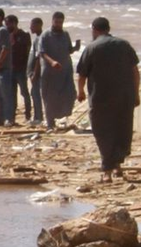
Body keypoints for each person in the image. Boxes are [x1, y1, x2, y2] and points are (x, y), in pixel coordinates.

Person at [76, 17, 140, 181]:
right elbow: (135, 71)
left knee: (103, 131)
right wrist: (136, 93)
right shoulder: (124, 45)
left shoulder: (92, 47)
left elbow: (82, 74)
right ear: (108, 29)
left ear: (94, 29)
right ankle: (117, 164)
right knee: (122, 130)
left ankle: (107, 170)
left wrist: (80, 92)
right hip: (124, 97)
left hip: (101, 98)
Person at [37, 11, 77, 130]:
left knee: (70, 94)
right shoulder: (45, 35)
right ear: (52, 21)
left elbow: (69, 50)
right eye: (56, 22)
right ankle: (50, 123)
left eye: (61, 22)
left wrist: (76, 48)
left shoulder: (65, 34)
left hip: (65, 70)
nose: (58, 24)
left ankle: (61, 117)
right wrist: (52, 62)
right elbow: (42, 52)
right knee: (50, 97)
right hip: (50, 72)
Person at [9, 15, 33, 121]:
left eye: (9, 24)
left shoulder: (24, 35)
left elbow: (28, 52)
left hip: (21, 69)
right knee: (12, 94)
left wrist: (27, 67)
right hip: (10, 69)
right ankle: (12, 116)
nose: (7, 26)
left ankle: (28, 114)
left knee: (24, 92)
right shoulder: (7, 35)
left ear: (14, 23)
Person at [26, 17, 45, 124]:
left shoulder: (40, 39)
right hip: (33, 72)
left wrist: (35, 73)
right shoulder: (37, 38)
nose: (30, 27)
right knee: (34, 94)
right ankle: (37, 116)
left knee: (36, 94)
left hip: (36, 73)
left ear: (39, 25)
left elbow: (39, 58)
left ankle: (38, 117)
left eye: (32, 25)